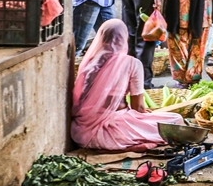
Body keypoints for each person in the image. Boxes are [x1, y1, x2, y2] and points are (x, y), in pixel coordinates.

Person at [71, 19, 183, 151]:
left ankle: (129, 146)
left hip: (80, 132)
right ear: (124, 39)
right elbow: (138, 107)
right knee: (176, 120)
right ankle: (130, 146)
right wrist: (142, 113)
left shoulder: (88, 64)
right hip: (111, 130)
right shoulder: (132, 63)